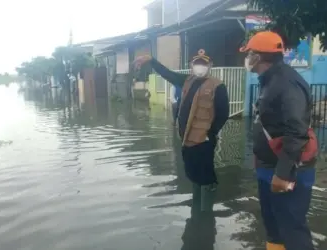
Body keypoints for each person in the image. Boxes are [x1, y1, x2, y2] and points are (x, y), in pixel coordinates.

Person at [240, 31, 318, 250]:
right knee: (273, 226)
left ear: (258, 56)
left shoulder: (287, 83)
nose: (247, 59)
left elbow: (296, 131)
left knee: (292, 229)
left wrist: (283, 173)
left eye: (249, 54)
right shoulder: (270, 79)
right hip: (269, 167)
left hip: (288, 170)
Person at [134, 49, 229, 210]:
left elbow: (223, 113)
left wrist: (210, 133)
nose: (200, 67)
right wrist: (152, 61)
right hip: (187, 138)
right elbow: (167, 74)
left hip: (204, 140)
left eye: (203, 64)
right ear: (191, 66)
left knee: (205, 175)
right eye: (197, 63)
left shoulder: (217, 86)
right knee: (192, 173)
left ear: (210, 65)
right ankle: (197, 209)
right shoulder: (187, 80)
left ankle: (205, 214)